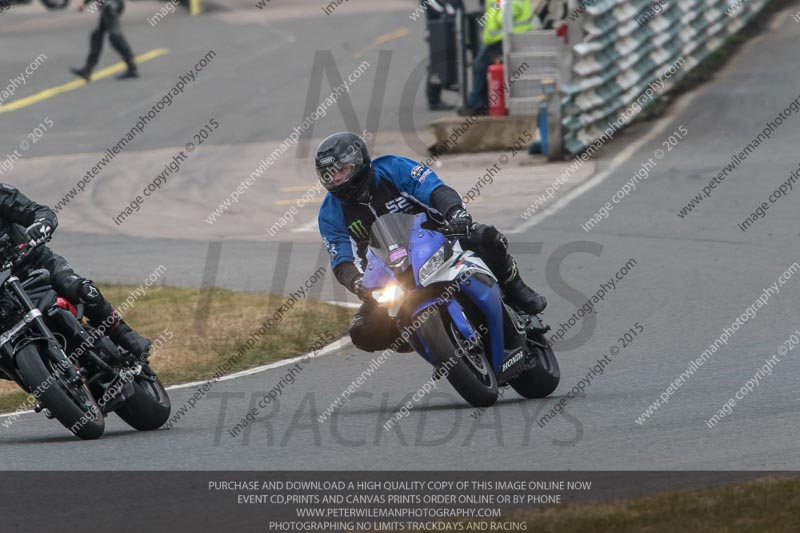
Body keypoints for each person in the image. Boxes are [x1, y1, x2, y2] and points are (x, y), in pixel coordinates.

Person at [316, 132, 547, 353]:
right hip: (389, 274)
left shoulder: (393, 167)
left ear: (359, 163)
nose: (336, 179)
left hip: (438, 241)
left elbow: (435, 190)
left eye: (342, 170)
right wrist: (357, 282)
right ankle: (421, 337)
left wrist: (456, 213)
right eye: (329, 175)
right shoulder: (329, 212)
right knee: (362, 332)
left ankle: (516, 290)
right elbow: (341, 260)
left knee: (485, 237)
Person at [0, 183, 151, 358]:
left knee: (82, 290)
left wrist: (41, 224)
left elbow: (39, 212)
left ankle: (123, 333)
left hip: (37, 264)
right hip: (4, 295)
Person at [458, 0, 537, 115]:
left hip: (501, 39)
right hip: (498, 39)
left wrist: (499, 14)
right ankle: (481, 104)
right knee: (485, 70)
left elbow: (506, 14)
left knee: (482, 69)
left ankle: (475, 105)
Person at [71, 0, 138, 81]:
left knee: (115, 38)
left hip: (111, 6)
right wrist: (85, 4)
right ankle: (87, 70)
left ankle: (132, 68)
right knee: (97, 36)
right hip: (107, 6)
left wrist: (112, 8)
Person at [422, 0, 463, 111]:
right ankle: (434, 100)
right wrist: (451, 11)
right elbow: (435, 6)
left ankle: (454, 92)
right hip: (438, 30)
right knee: (437, 66)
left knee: (450, 63)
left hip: (450, 28)